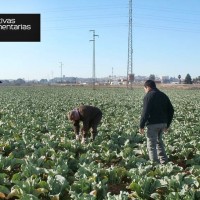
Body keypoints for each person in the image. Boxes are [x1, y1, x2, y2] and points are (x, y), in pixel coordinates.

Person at [139, 80, 174, 164]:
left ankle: (155, 165)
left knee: (151, 145)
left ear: (148, 87)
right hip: (163, 124)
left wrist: (141, 125)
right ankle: (164, 161)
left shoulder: (148, 96)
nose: (145, 90)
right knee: (159, 143)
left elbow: (145, 112)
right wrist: (167, 124)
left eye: (145, 88)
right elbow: (171, 110)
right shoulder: (163, 95)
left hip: (153, 125)